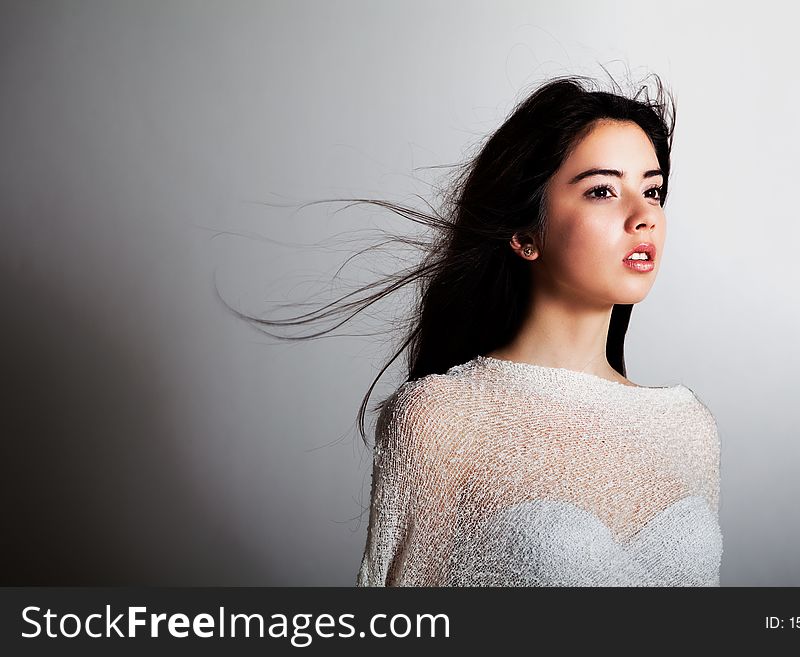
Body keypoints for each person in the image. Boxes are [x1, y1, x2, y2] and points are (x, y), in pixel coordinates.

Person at [224, 72, 722, 586]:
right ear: (526, 234)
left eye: (654, 191)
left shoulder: (690, 428)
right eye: (602, 190)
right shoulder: (439, 420)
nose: (644, 217)